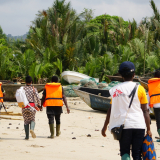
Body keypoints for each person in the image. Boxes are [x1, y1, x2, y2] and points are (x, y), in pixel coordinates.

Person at [101, 61, 152, 160]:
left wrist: (104, 127)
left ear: (121, 75)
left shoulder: (115, 90)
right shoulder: (140, 89)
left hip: (123, 126)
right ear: (134, 75)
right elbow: (145, 111)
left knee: (124, 152)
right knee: (137, 154)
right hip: (139, 125)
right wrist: (149, 129)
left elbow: (110, 110)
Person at [22, 76, 41, 140]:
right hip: (31, 106)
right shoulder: (33, 89)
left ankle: (27, 136)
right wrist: (39, 105)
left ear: (25, 82)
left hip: (24, 106)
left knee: (26, 121)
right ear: (31, 82)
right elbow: (38, 97)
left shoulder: (22, 89)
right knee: (32, 119)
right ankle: (32, 129)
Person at [147, 69, 160, 142]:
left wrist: (147, 109)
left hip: (155, 105)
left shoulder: (150, 85)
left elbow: (148, 97)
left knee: (158, 121)